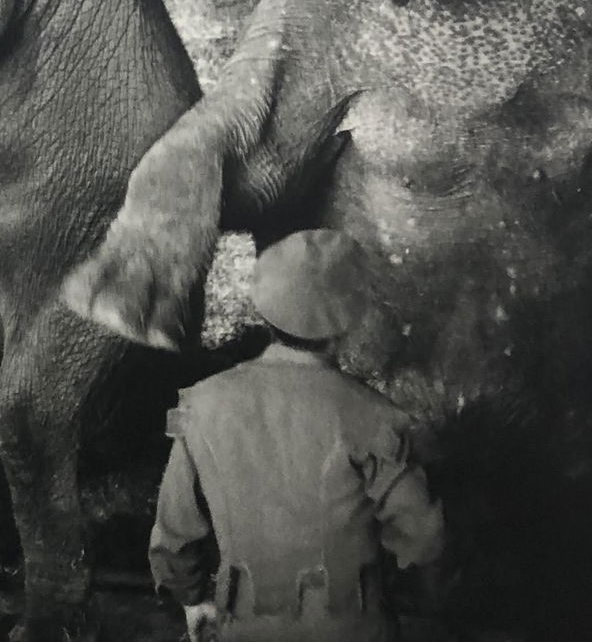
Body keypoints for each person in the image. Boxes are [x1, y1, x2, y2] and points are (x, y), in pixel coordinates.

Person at [149, 229, 446, 642]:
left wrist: (192, 600)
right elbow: (421, 538)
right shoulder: (377, 418)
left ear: (265, 312)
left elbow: (175, 532)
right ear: (344, 325)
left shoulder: (200, 406)